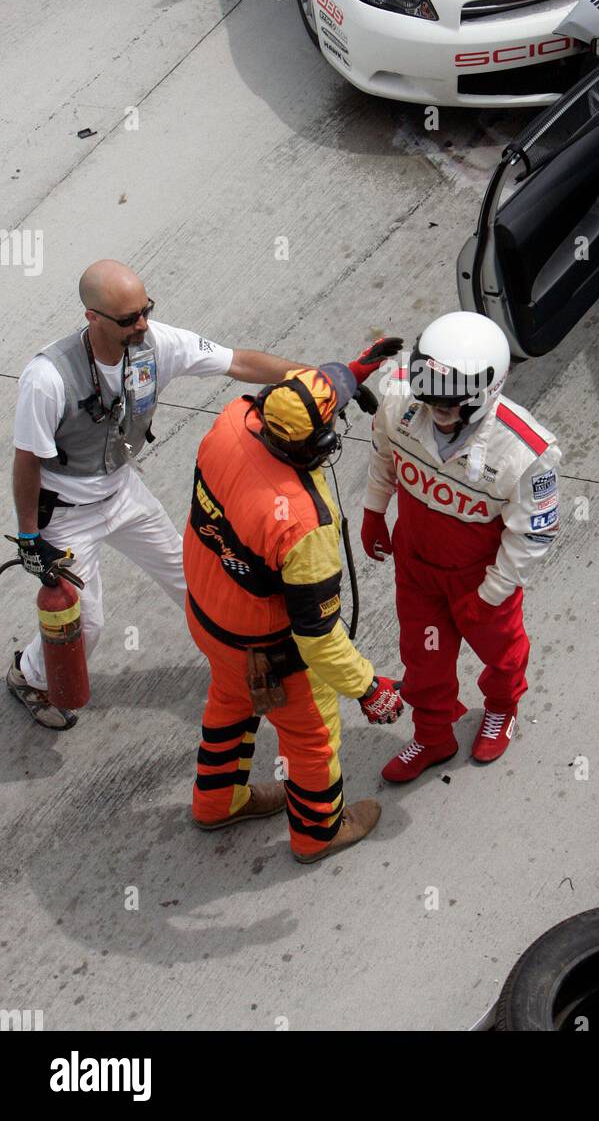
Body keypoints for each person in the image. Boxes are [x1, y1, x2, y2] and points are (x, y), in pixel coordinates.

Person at [8, 259, 319, 731]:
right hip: (66, 515)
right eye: (129, 319)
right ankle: (26, 675)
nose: (142, 324)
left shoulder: (154, 344)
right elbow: (27, 461)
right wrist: (30, 537)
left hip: (122, 492)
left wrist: (315, 379)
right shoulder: (47, 378)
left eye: (145, 310)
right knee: (87, 626)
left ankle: (238, 667)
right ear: (92, 317)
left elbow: (240, 362)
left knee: (195, 580)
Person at [184, 349, 404, 862]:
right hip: (271, 653)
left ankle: (217, 802)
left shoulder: (233, 421)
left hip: (208, 616)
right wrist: (368, 688)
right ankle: (318, 832)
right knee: (311, 739)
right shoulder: (304, 528)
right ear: (319, 446)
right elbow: (319, 637)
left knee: (232, 702)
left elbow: (299, 391)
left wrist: (348, 375)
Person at [361, 311, 561, 782]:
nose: (437, 405)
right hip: (416, 568)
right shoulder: (398, 402)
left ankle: (501, 706)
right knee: (422, 655)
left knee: (502, 652)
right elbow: (384, 454)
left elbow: (534, 532)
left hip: (481, 578)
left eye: (451, 396)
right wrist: (374, 510)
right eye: (427, 385)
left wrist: (492, 594)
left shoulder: (527, 452)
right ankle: (433, 737)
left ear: (489, 386)